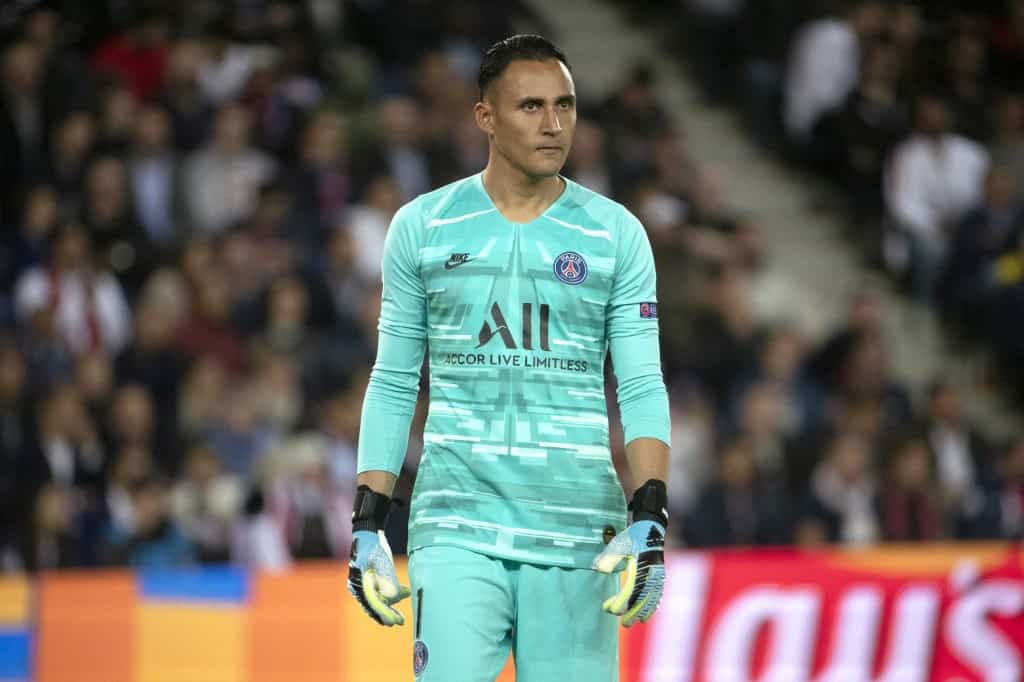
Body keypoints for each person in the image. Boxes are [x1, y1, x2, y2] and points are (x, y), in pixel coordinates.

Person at [346, 35, 671, 682]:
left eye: (566, 105)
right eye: (531, 106)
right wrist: (365, 522)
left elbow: (639, 385)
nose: (554, 124)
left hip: (579, 531)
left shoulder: (616, 235)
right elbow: (393, 379)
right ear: (485, 117)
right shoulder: (423, 227)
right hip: (457, 522)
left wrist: (652, 513)